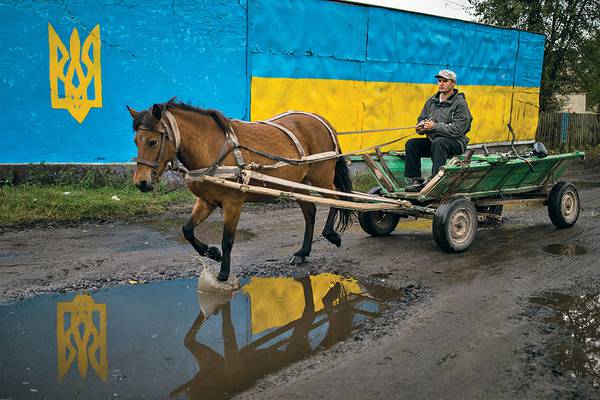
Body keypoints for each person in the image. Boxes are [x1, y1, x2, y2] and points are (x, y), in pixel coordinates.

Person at [404, 70, 473, 192]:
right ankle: (415, 180)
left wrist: (434, 126)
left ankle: (435, 180)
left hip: (456, 143)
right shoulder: (431, 101)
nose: (441, 84)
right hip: (434, 142)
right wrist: (420, 126)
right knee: (411, 144)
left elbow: (458, 129)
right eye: (439, 81)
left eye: (445, 81)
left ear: (453, 83)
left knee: (439, 142)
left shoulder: (460, 104)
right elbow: (422, 118)